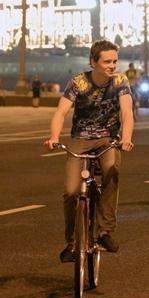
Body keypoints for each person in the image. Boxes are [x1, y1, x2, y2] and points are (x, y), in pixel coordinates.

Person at [45, 40, 134, 262]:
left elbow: (127, 112)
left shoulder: (120, 82)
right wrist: (54, 137)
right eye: (107, 61)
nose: (112, 65)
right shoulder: (78, 83)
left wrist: (126, 138)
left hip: (107, 140)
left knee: (112, 169)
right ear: (93, 62)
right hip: (80, 139)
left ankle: (104, 232)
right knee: (72, 191)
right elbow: (60, 112)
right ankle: (72, 243)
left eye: (114, 61)